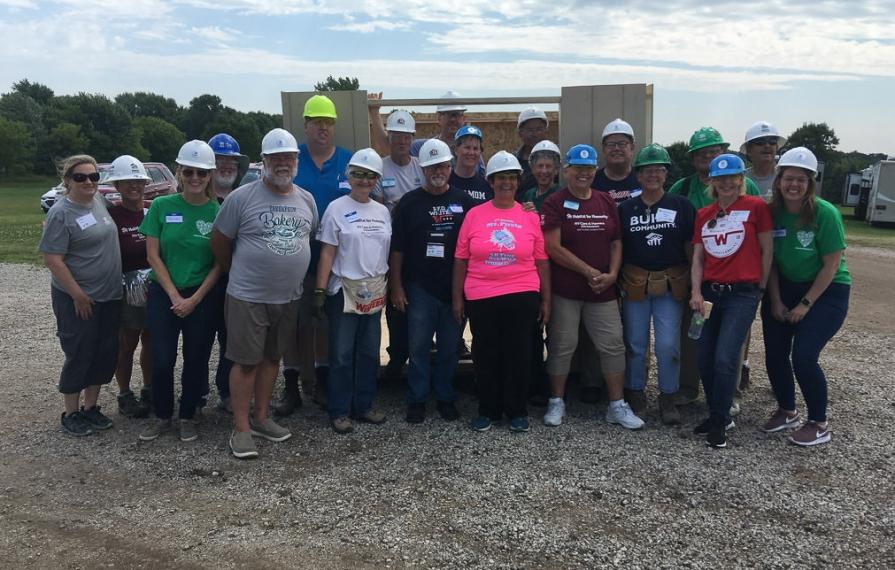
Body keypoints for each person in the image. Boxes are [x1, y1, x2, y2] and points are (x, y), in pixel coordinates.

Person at [212, 128, 318, 459]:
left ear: (296, 160)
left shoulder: (306, 199)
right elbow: (220, 241)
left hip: (288, 297)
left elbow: (308, 236)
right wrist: (236, 271)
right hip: (248, 297)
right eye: (276, 158)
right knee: (246, 362)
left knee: (272, 358)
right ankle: (241, 428)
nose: (283, 163)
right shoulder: (241, 198)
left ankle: (261, 418)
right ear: (264, 161)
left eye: (289, 157)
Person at [539, 144, 643, 430]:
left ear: (594, 171)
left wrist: (613, 274)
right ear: (566, 171)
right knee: (562, 345)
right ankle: (556, 401)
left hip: (602, 290)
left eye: (588, 169)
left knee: (612, 345)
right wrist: (587, 271)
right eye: (577, 168)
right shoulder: (555, 202)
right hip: (566, 289)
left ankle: (617, 405)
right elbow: (552, 247)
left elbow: (616, 242)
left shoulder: (605, 201)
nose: (583, 174)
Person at [452, 151, 550, 432]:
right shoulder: (474, 215)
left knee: (519, 352)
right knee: (486, 353)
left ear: (518, 181)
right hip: (481, 294)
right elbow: (461, 259)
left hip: (522, 291)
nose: (506, 182)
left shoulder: (529, 216)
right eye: (500, 178)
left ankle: (517, 410)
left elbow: (541, 260)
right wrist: (457, 298)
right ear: (491, 182)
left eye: (511, 177)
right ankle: (489, 410)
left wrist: (546, 299)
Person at [761, 147, 850, 447]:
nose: (794, 185)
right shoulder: (772, 212)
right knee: (775, 353)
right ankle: (787, 410)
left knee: (804, 355)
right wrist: (775, 300)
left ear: (810, 182)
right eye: (789, 178)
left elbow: (831, 265)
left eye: (801, 179)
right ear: (779, 180)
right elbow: (771, 262)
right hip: (784, 286)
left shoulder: (825, 213)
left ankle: (819, 422)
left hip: (826, 291)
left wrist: (805, 304)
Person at [670, 127, 763, 406]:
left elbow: (761, 237)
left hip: (737, 277)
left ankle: (729, 394)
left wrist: (760, 282)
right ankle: (689, 387)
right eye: (701, 152)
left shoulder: (749, 188)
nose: (708, 156)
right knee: (692, 333)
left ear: (723, 151)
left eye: (713, 151)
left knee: (732, 341)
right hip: (695, 272)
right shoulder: (682, 188)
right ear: (692, 157)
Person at [138, 141, 222, 443]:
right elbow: (152, 255)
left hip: (202, 295)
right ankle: (162, 415)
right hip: (165, 294)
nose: (195, 178)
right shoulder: (161, 206)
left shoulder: (217, 212)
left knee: (196, 358)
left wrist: (195, 298)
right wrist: (174, 296)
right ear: (179, 172)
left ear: (210, 175)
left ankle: (187, 415)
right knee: (162, 358)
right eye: (189, 171)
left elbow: (219, 263)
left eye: (202, 172)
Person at [277, 94, 353, 416]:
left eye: (328, 122)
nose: (323, 128)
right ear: (306, 125)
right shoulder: (294, 160)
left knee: (323, 324)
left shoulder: (348, 161)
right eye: (317, 122)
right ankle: (291, 385)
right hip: (295, 258)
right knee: (292, 325)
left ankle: (321, 381)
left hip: (336, 261)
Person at [689, 153, 772, 448]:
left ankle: (720, 418)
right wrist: (696, 292)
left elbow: (767, 249)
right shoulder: (704, 214)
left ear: (740, 179)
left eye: (732, 177)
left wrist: (760, 288)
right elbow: (698, 258)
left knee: (725, 357)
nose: (726, 183)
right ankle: (717, 413)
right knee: (704, 356)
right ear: (712, 181)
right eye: (720, 178)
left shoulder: (756, 207)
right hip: (710, 292)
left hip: (742, 294)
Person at [390, 138, 474, 424]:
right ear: (423, 169)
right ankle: (417, 399)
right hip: (419, 287)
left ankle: (445, 397)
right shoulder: (409, 203)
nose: (438, 171)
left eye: (442, 166)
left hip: (454, 288)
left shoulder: (464, 202)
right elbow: (398, 249)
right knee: (419, 347)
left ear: (450, 167)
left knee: (450, 348)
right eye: (432, 167)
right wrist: (397, 286)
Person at [40, 155, 122, 436]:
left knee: (104, 350)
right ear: (68, 180)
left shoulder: (98, 201)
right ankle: (71, 412)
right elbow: (53, 259)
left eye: (94, 176)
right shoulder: (61, 213)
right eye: (81, 177)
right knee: (79, 350)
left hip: (109, 295)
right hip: (77, 297)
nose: (89, 182)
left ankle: (91, 407)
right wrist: (77, 295)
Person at [314, 149, 391, 434]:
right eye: (358, 174)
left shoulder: (382, 211)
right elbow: (327, 252)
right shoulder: (336, 208)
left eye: (370, 176)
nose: (364, 180)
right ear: (349, 175)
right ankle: (339, 410)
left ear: (376, 179)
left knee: (369, 352)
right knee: (342, 354)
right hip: (344, 289)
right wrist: (320, 290)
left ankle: (364, 405)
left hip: (374, 289)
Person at [617, 144, 695, 425]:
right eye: (647, 170)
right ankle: (635, 391)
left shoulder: (681, 206)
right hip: (635, 283)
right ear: (638, 175)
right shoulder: (626, 209)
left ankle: (668, 395)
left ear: (666, 174)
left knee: (667, 344)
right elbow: (618, 247)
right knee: (635, 343)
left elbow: (691, 247)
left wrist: (695, 282)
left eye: (658, 170)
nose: (653, 175)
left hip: (671, 284)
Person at [578, 118, 642, 405]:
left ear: (632, 148)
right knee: (592, 326)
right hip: (597, 263)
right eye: (611, 144)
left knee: (634, 328)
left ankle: (632, 384)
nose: (617, 149)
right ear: (603, 149)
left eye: (622, 144)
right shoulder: (595, 180)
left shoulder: (642, 178)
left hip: (636, 264)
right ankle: (592, 381)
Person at [370, 109, 423, 378]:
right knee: (396, 303)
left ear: (412, 138)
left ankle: (421, 354)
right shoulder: (380, 168)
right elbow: (379, 211)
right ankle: (397, 356)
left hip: (420, 246)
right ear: (388, 137)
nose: (401, 141)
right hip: (392, 245)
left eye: (406, 136)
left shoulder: (421, 166)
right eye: (396, 135)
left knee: (421, 301)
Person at [105, 155, 153, 419]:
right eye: (127, 182)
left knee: (152, 341)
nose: (134, 186)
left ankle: (149, 388)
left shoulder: (152, 211)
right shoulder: (111, 216)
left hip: (153, 285)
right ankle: (124, 393)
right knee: (127, 343)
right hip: (126, 288)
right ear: (117, 185)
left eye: (139, 181)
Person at [206, 132, 249, 412]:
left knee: (231, 340)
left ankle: (227, 391)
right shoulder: (196, 198)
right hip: (200, 282)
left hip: (235, 282)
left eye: (231, 161)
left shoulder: (244, 198)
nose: (226, 166)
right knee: (199, 341)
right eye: (219, 160)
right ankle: (195, 395)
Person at [741, 121, 787, 199]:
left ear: (777, 147)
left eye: (772, 142)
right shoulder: (739, 180)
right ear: (748, 149)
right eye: (760, 142)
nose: (767, 145)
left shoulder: (787, 178)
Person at [449, 125, 492, 206]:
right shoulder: (446, 183)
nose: (471, 153)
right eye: (467, 147)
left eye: (475, 148)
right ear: (456, 150)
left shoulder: (487, 187)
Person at [515, 106, 550, 193]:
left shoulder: (556, 157)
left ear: (546, 131)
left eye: (539, 129)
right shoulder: (513, 162)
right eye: (530, 130)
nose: (535, 134)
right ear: (520, 133)